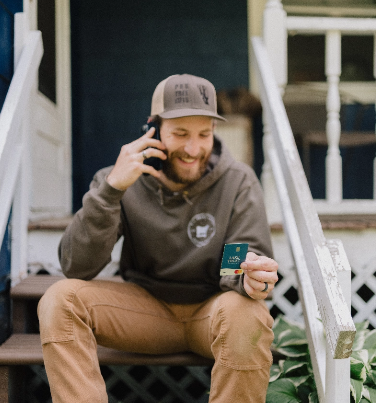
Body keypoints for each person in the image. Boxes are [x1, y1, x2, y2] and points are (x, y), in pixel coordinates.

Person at [38, 74, 279, 403]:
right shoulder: (120, 181)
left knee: (248, 316)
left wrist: (248, 277)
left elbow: (239, 256)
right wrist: (111, 192)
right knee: (59, 299)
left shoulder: (238, 182)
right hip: (144, 310)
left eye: (204, 134)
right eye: (180, 134)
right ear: (152, 130)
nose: (194, 149)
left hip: (212, 311)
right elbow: (76, 266)